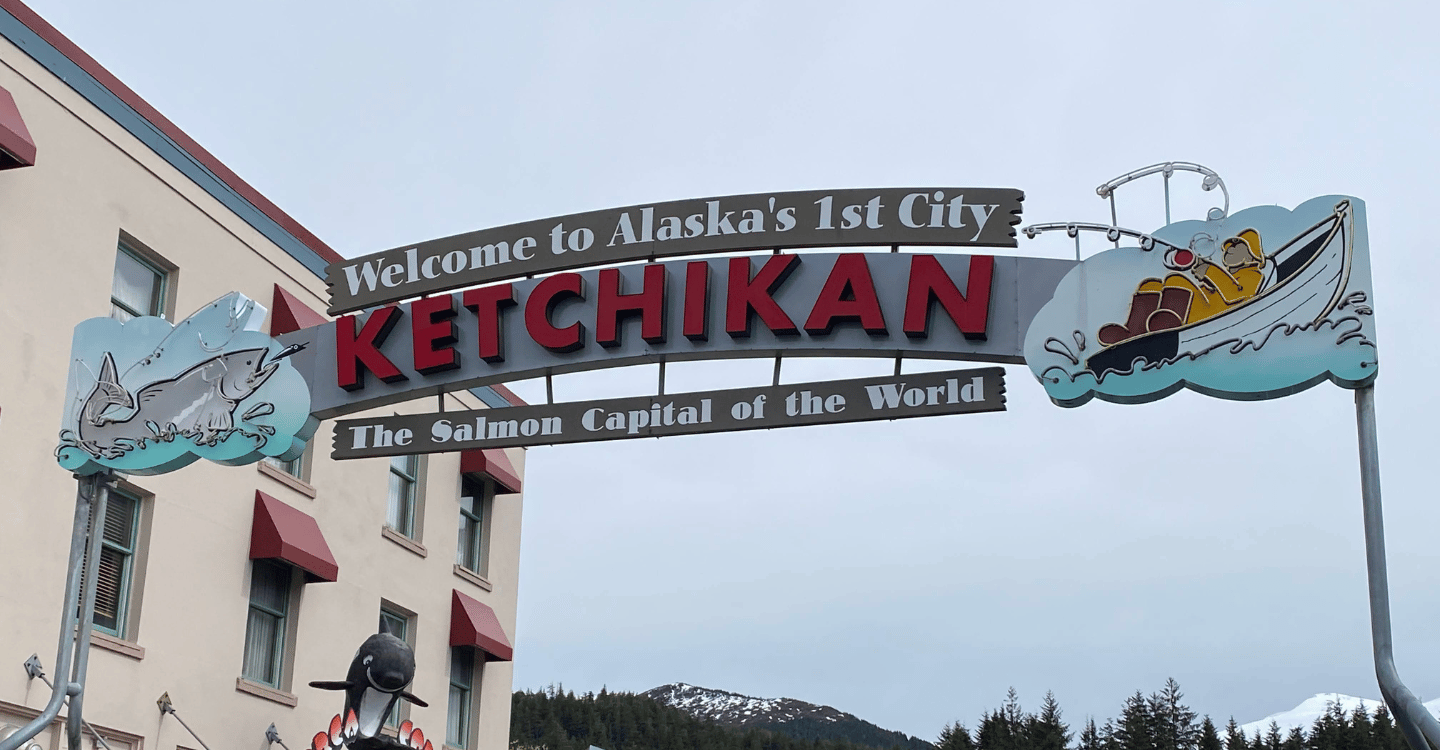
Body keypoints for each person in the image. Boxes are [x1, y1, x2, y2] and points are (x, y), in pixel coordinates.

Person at [1097, 229, 1267, 346]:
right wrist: (1207, 278)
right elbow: (1219, 290)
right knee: (1151, 284)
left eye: (1236, 246)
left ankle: (1169, 322)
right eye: (1227, 246)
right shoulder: (1229, 274)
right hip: (1207, 309)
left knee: (1176, 279)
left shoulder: (1253, 274)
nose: (1228, 249)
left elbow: (1236, 295)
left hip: (1216, 317)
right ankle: (1132, 331)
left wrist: (1209, 271)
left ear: (1251, 254)